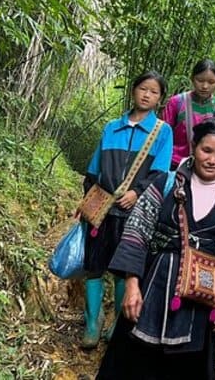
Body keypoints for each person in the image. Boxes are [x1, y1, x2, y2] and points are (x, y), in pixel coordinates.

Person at [97, 118, 215, 380]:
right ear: (193, 147)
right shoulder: (165, 183)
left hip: (200, 297)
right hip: (153, 285)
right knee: (134, 361)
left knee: (187, 366)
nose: (212, 159)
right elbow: (137, 230)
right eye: (206, 150)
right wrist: (132, 285)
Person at [80, 71, 173, 349]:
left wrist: (138, 193)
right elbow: (93, 170)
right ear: (133, 91)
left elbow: (161, 173)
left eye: (153, 91)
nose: (146, 95)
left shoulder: (161, 131)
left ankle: (115, 326)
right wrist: (89, 200)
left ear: (160, 98)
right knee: (94, 267)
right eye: (142, 88)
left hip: (133, 214)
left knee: (123, 269)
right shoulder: (111, 128)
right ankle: (92, 325)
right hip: (103, 211)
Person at [163, 59, 215, 169]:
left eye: (211, 82)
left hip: (206, 168)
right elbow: (163, 135)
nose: (205, 86)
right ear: (192, 79)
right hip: (174, 164)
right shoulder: (177, 102)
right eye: (200, 80)